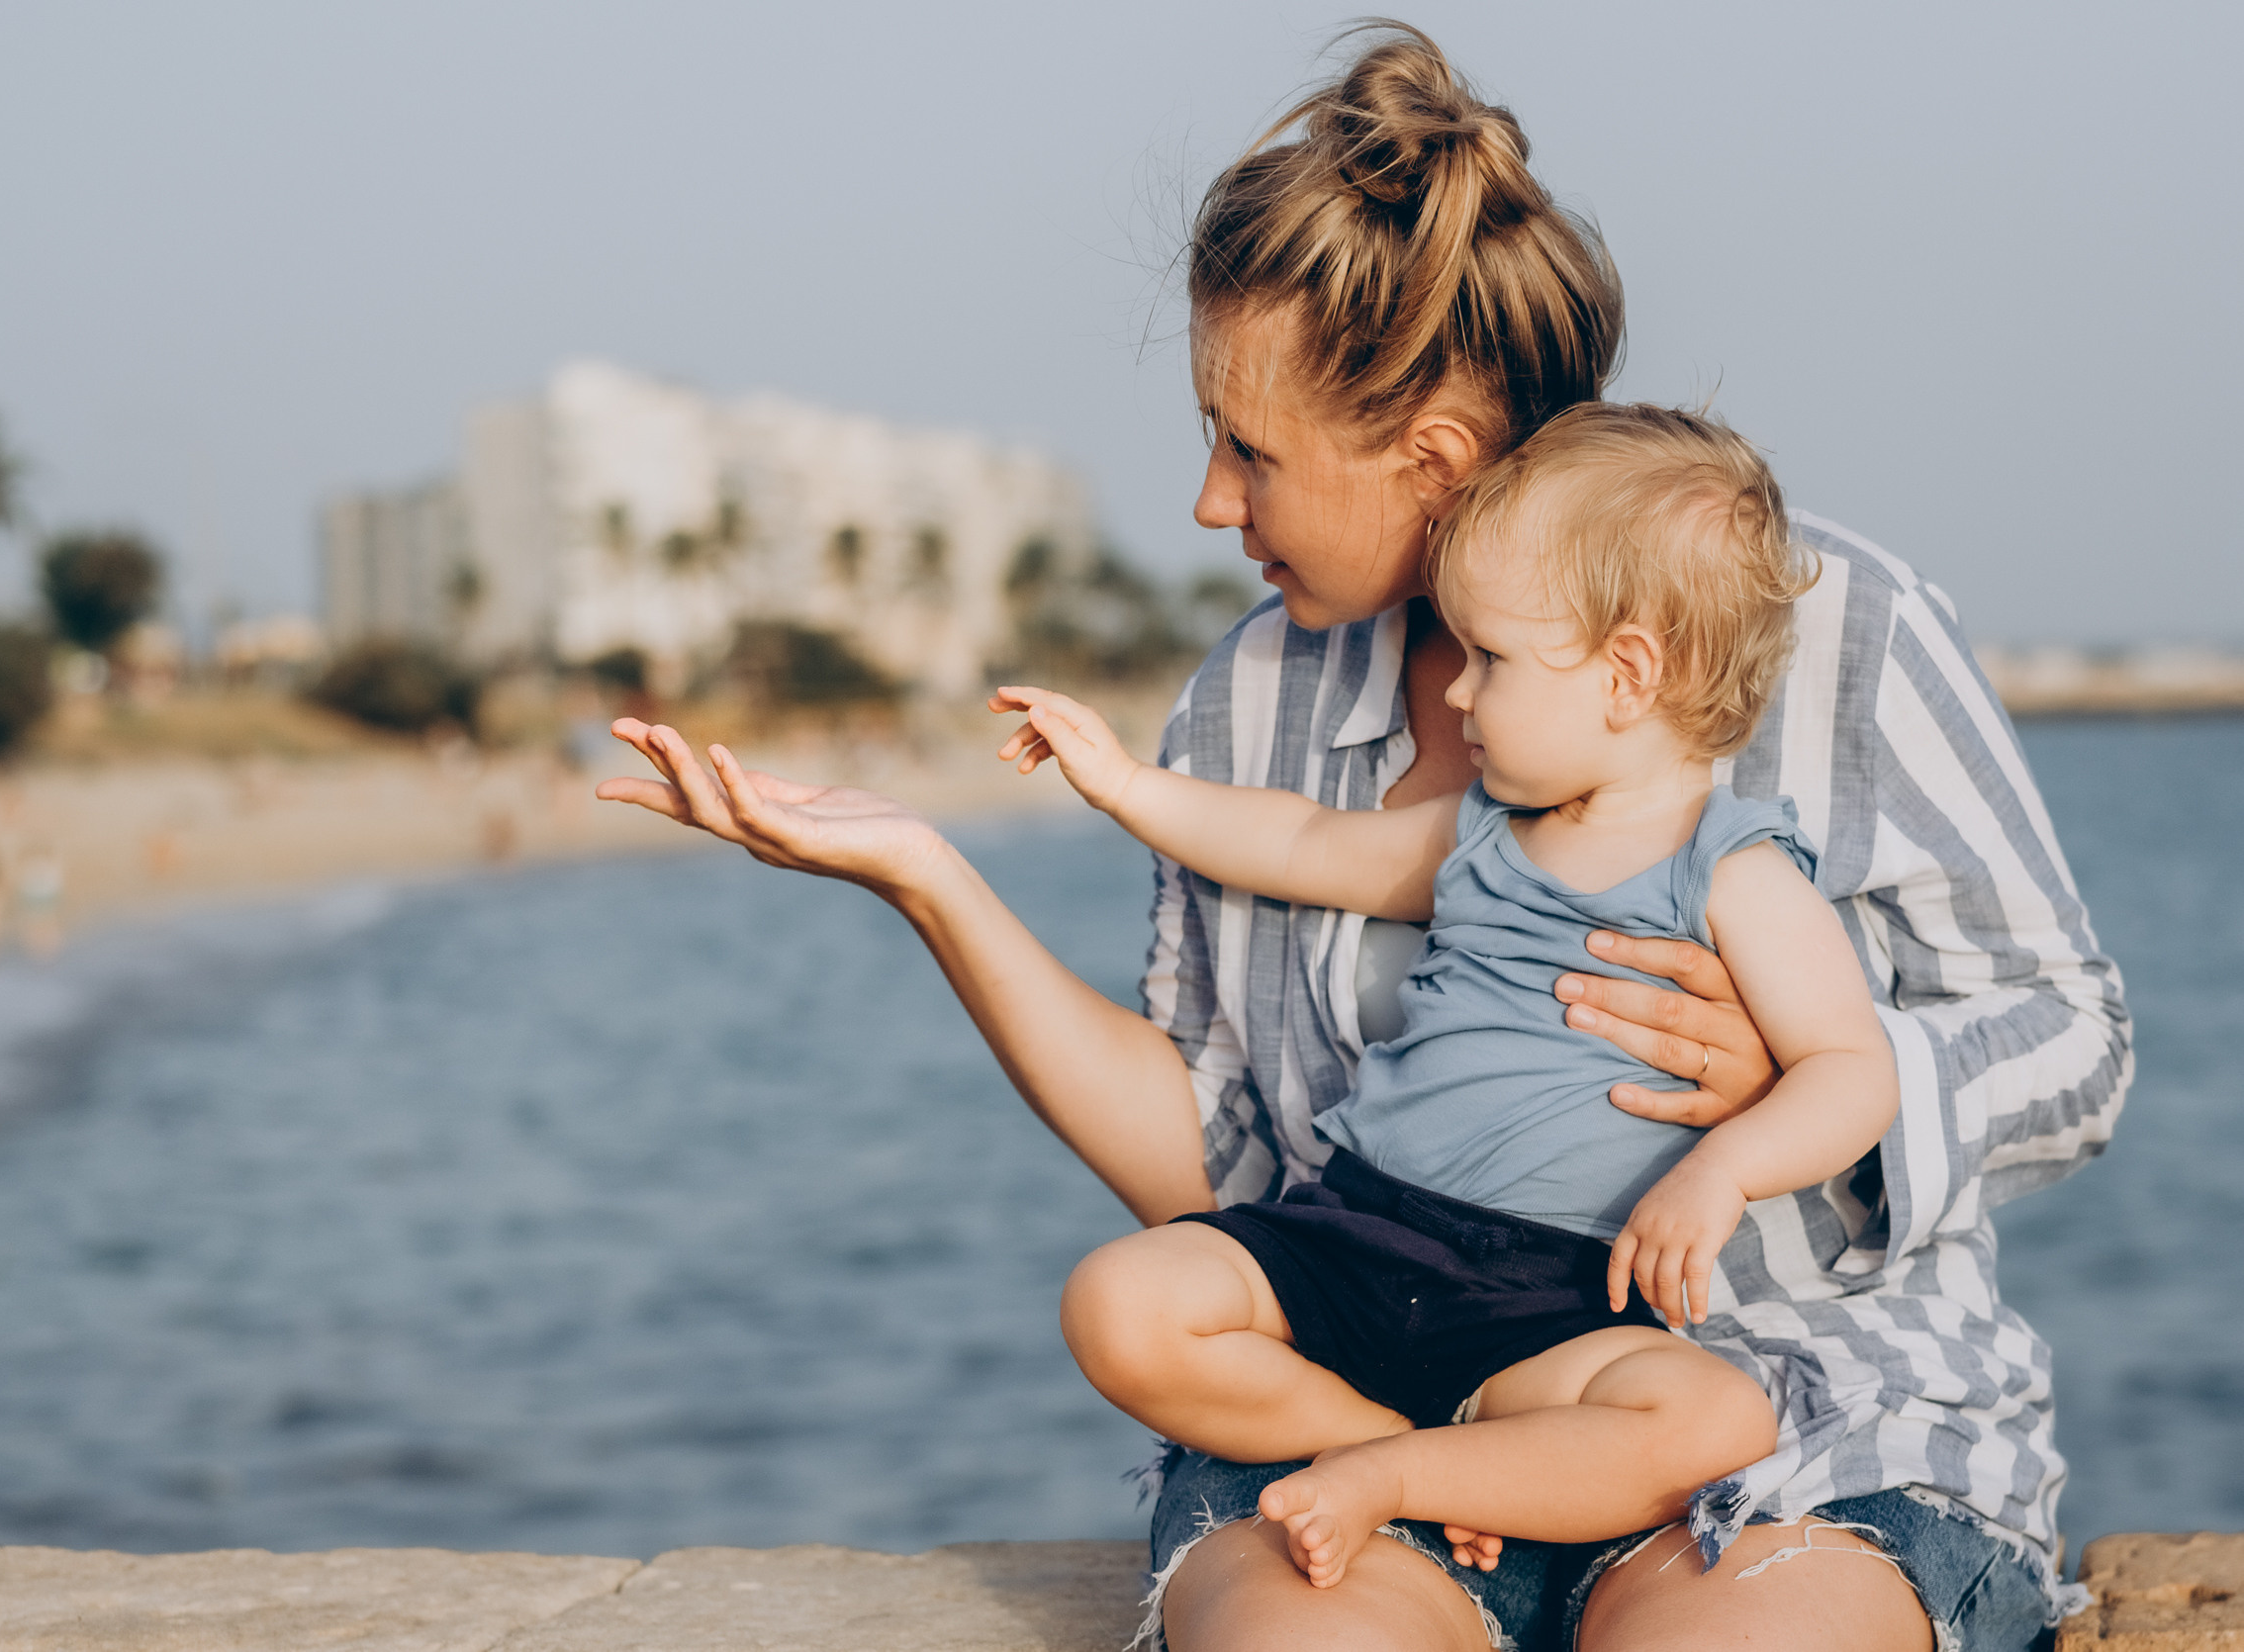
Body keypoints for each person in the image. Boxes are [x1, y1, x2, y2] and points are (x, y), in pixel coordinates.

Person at [597, 23, 2129, 1651]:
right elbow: (1218, 1168)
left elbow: (2072, 1041)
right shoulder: (1237, 713)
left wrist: (1823, 1081)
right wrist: (926, 877)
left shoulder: (1832, 622)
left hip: (1795, 1420)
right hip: (1364, 1415)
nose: (1205, 501)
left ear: (1436, 460)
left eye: (1247, 448)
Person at [988, 400, 1898, 1593]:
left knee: (1712, 1419)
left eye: (1492, 659)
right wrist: (1122, 785)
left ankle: (1407, 1473)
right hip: (1352, 1228)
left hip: (1547, 1301)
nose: (1457, 693)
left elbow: (1850, 1068)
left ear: (1627, 672)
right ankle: (1378, 1438)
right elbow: (1301, 842)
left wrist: (1721, 1167)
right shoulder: (1479, 833)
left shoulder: (1732, 871)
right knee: (1117, 1300)